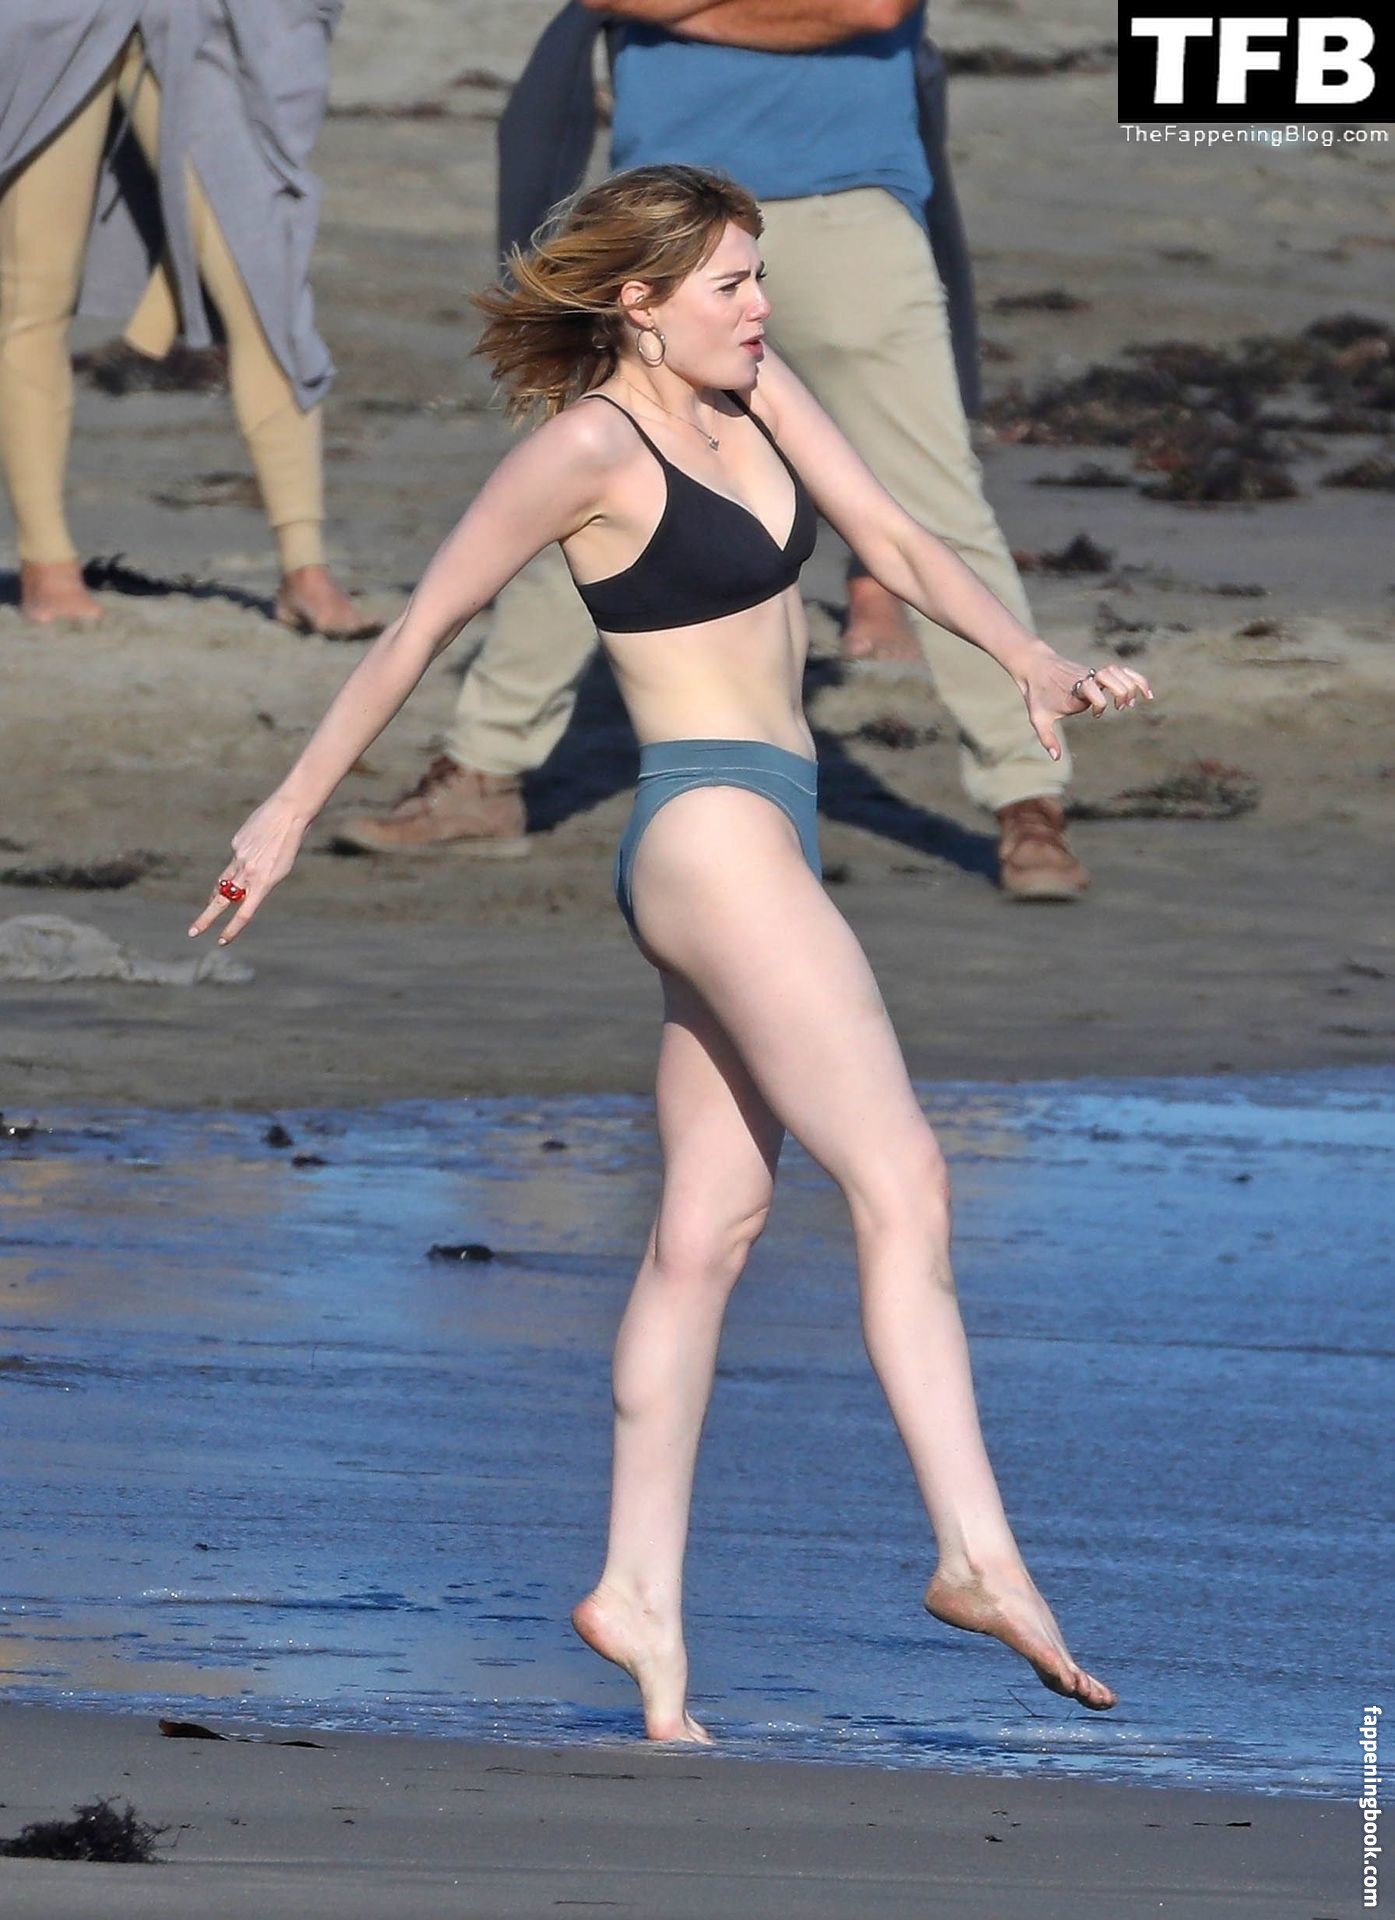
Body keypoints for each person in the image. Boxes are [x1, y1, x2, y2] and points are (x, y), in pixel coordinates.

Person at [190, 166, 1149, 1743]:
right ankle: (975, 1557)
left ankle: (634, 1595)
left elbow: (894, 540)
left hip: (765, 826)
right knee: (903, 1180)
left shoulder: (758, 390)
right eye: (727, 285)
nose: (759, 307)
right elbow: (421, 629)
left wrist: (1027, 657)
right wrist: (287, 812)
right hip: (706, 833)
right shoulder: (584, 448)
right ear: (635, 304)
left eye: (758, 278)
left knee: (710, 1225)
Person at [336, 0, 1090, 899]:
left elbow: (871, 8)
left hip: (846, 203)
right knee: (590, 499)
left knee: (934, 505)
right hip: (664, 225)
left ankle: (1027, 798)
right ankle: (481, 772)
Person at [0, 0, 375, 636]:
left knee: (262, 282)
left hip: (211, 16)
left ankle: (305, 568)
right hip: (49, 17)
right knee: (34, 289)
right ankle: (47, 562)